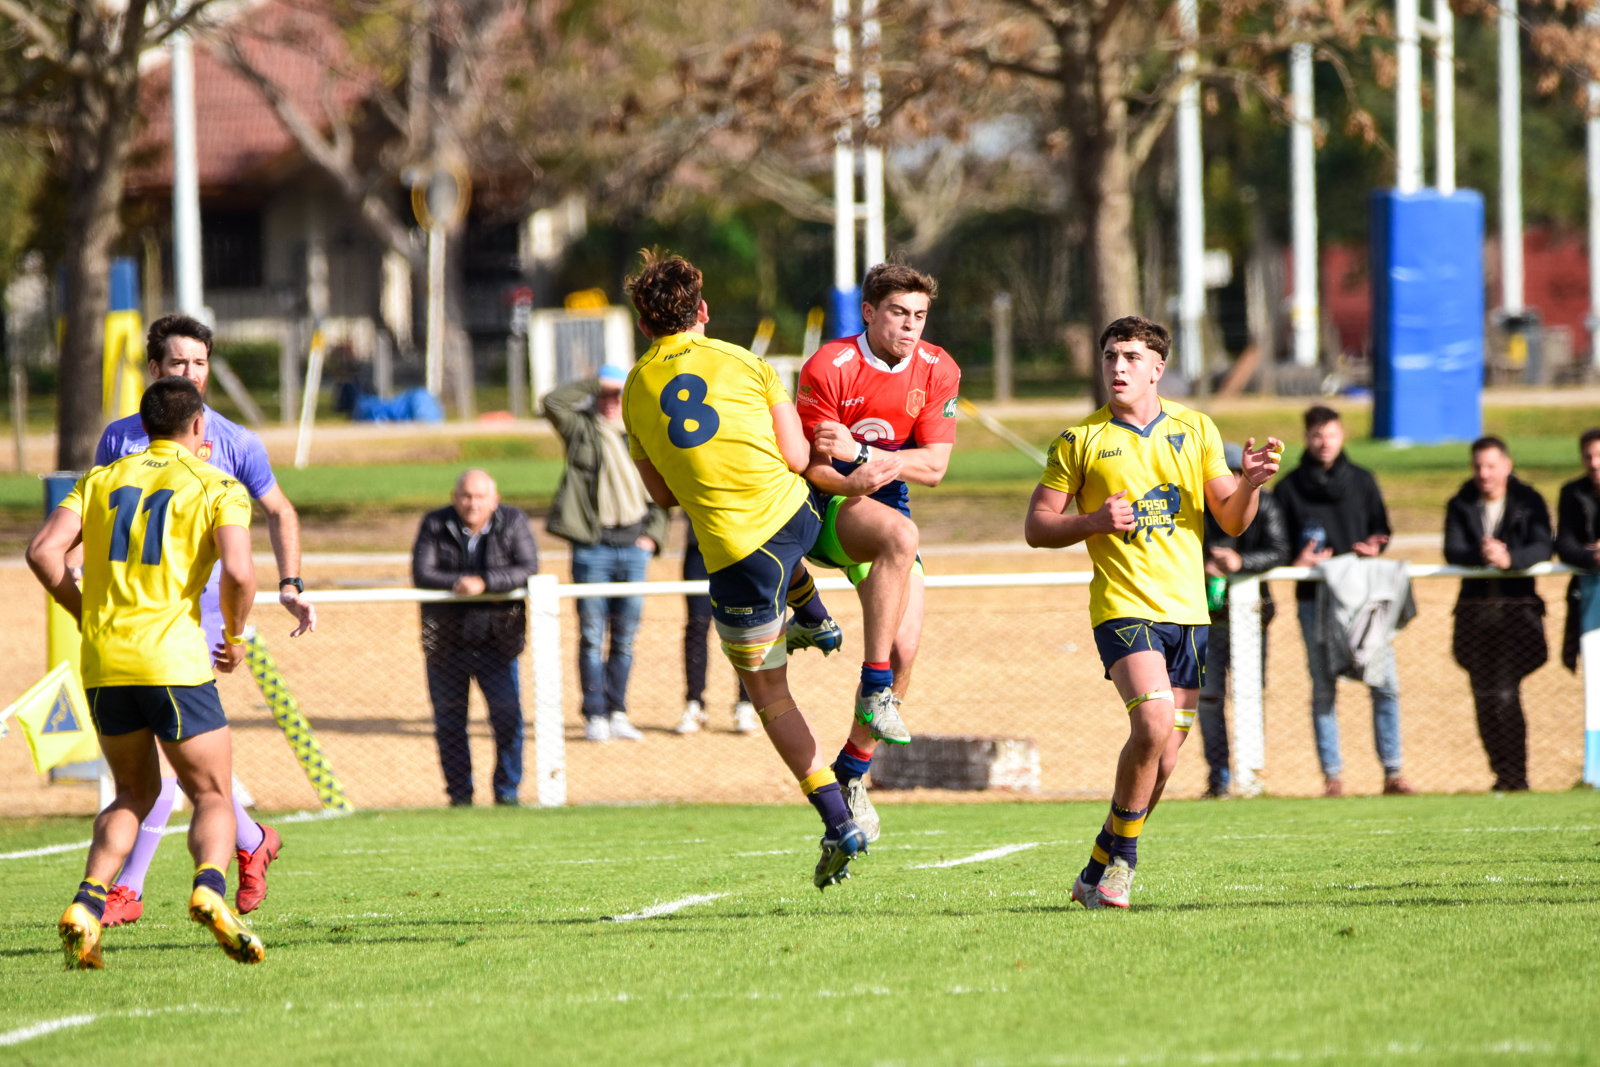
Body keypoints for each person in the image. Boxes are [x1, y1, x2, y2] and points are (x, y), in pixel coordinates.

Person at [623, 249, 887, 889]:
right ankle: (815, 617)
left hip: (736, 557)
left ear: (644, 325)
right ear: (703, 311)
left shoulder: (634, 389)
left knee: (770, 697)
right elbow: (796, 456)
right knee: (787, 546)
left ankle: (838, 821)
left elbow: (661, 497)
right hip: (798, 517)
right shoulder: (746, 361)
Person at [1024, 316, 1281, 909]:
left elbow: (1231, 519)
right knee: (1153, 722)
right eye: (1110, 356)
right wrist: (1093, 521)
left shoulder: (1196, 428)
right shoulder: (1080, 440)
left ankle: (1096, 865)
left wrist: (1250, 483)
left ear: (1158, 368)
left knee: (1163, 759)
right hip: (1122, 607)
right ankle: (1124, 864)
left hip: (1189, 613)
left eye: (1132, 357)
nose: (1118, 367)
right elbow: (1037, 526)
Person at [30, 377, 264, 969]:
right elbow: (240, 572)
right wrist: (236, 637)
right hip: (173, 662)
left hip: (104, 661)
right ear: (198, 426)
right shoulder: (217, 486)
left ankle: (87, 903)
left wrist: (83, 611)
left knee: (132, 792)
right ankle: (209, 888)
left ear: (145, 424)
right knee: (210, 792)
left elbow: (42, 552)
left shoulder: (100, 479)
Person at [91, 313, 316, 928]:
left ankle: (128, 888)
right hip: (129, 619)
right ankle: (252, 840)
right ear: (154, 369)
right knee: (181, 762)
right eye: (178, 363)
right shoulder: (119, 439)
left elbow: (280, 510)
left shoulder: (235, 441)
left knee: (168, 761)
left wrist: (290, 583)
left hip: (198, 621)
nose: (191, 373)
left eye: (200, 362)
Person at [795, 260, 959, 840]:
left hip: (883, 501)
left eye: (920, 315)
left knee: (906, 649)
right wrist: (853, 476)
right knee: (902, 536)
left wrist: (863, 457)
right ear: (868, 312)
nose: (910, 326)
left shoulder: (938, 368)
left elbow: (934, 467)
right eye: (898, 313)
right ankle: (873, 681)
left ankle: (852, 772)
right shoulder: (828, 366)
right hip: (831, 507)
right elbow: (813, 468)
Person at [1274, 405, 1413, 798]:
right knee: (1323, 688)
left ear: (1342, 435)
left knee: (1384, 683)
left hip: (1363, 598)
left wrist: (1374, 546)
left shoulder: (1362, 480)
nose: (1324, 443)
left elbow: (1381, 529)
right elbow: (1277, 545)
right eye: (1317, 435)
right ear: (1307, 437)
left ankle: (1393, 773)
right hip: (1313, 599)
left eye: (1331, 434)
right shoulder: (1289, 488)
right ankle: (1332, 777)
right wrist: (1298, 562)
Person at [543, 366, 670, 742]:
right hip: (592, 548)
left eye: (619, 395)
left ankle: (618, 711)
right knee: (591, 635)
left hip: (634, 548)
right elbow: (552, 402)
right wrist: (598, 383)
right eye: (605, 394)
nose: (611, 402)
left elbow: (663, 488)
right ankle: (594, 713)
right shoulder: (581, 428)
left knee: (625, 636)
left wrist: (653, 537)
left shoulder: (643, 432)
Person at [412, 470, 540, 805]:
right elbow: (423, 572)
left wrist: (484, 583)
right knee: (449, 724)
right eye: (467, 496)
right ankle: (460, 796)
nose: (473, 503)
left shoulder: (513, 521)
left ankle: (507, 793)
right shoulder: (435, 523)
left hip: (498, 644)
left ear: (494, 500)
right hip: (445, 646)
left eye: (480, 497)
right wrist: (458, 584)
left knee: (508, 720)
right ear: (454, 498)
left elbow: (528, 568)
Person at [1443, 437, 1551, 792]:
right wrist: (1482, 554)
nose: (1484, 473)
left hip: (1518, 619)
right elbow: (1452, 549)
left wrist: (1510, 559)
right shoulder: (1461, 503)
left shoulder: (1528, 501)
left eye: (1491, 466)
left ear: (1507, 465)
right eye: (1478, 466)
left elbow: (1543, 546)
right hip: (1475, 620)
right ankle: (1503, 774)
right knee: (1484, 697)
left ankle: (1517, 775)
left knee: (1504, 692)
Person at [1196, 441, 1291, 798]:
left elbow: (1280, 550)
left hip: (1251, 616)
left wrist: (1240, 563)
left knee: (1249, 695)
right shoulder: (1196, 506)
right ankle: (1218, 775)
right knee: (1208, 699)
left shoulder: (1265, 504)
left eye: (1235, 473)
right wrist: (1202, 566)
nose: (1229, 480)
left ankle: (1250, 776)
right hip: (1207, 618)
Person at [677, 517, 760, 733]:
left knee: (744, 628)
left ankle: (745, 704)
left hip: (742, 548)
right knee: (697, 625)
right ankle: (694, 705)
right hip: (699, 548)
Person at [1555, 428, 1600, 672]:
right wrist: (1594, 556)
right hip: (1589, 594)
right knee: (1594, 673)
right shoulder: (1572, 493)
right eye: (1588, 457)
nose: (1594, 463)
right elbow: (1564, 545)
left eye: (1599, 455)